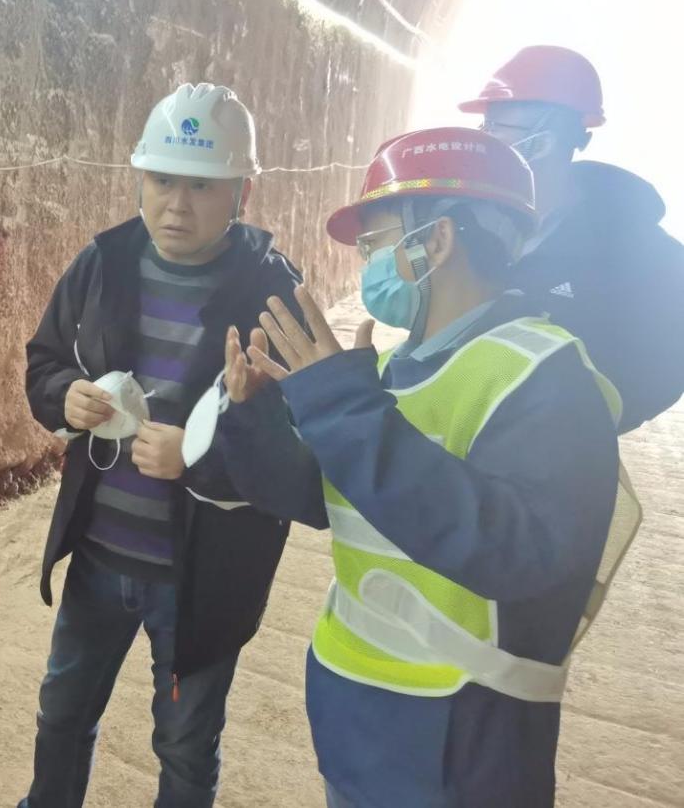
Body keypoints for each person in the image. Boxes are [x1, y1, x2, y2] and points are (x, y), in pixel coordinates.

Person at [219, 127, 630, 807]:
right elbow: (323, 500)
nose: (367, 266)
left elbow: (516, 551)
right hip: (358, 719)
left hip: (463, 743)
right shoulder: (387, 370)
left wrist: (345, 409)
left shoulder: (545, 375)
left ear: (435, 241)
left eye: (376, 244)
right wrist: (253, 417)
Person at [20, 83, 307, 808]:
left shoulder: (273, 295)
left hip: (200, 578)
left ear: (241, 192)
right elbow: (44, 359)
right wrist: (64, 396)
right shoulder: (104, 262)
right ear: (140, 180)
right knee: (61, 715)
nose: (177, 205)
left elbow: (301, 465)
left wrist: (200, 460)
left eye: (202, 186)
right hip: (98, 557)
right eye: (161, 180)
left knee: (184, 744)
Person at [460, 45, 684, 430]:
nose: (483, 140)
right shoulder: (473, 219)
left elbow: (667, 361)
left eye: (494, 127)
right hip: (460, 424)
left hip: (550, 445)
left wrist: (583, 423)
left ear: (543, 141)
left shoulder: (646, 254)